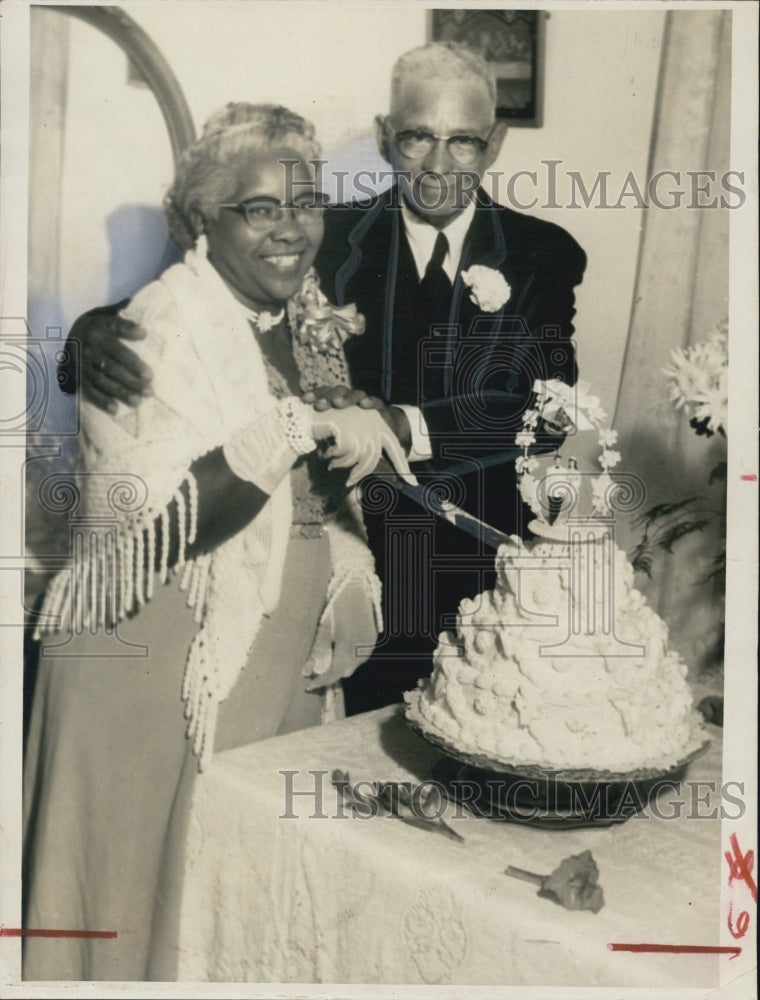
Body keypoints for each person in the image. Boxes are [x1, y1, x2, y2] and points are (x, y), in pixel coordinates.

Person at [60, 42, 587, 713]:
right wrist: (88, 336)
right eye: (417, 137)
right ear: (382, 137)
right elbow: (195, 300)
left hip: (476, 566)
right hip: (334, 561)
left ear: (496, 143)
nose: (437, 164)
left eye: (463, 142)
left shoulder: (545, 253)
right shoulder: (318, 230)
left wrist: (397, 424)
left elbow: (546, 412)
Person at [23, 102, 411, 982]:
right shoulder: (151, 328)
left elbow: (311, 501)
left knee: (224, 923)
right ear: (203, 218)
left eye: (306, 202)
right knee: (132, 925)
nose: (290, 228)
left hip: (260, 676)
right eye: (259, 207)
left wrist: (348, 577)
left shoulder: (300, 317)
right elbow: (175, 519)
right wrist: (306, 424)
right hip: (145, 684)